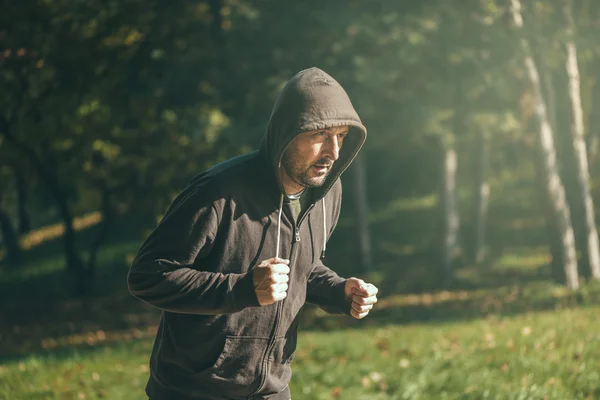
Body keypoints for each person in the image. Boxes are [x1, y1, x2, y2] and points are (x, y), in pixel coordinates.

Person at [127, 67, 379, 400]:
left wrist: (338, 292)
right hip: (194, 391)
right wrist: (241, 289)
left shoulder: (325, 193)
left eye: (342, 136)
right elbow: (149, 275)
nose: (333, 152)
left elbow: (302, 267)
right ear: (286, 133)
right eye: (320, 135)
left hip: (271, 390)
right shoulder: (217, 192)